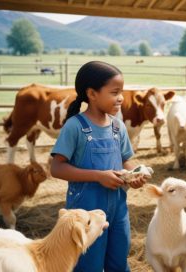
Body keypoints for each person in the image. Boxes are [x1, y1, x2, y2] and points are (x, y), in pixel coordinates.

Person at [50, 61, 146, 272]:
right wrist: (98, 176)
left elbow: (126, 159)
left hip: (118, 208)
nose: (121, 97)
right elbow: (56, 168)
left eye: (121, 91)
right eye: (114, 92)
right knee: (89, 265)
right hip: (85, 214)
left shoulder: (117, 126)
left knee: (119, 262)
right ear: (92, 94)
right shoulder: (75, 126)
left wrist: (135, 175)